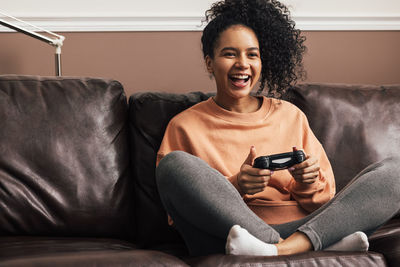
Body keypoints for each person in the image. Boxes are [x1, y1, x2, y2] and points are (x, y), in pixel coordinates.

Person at [155, 0, 400, 257]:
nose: (242, 63)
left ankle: (278, 250)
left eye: (252, 54)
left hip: (301, 227)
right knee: (173, 165)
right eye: (230, 54)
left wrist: (306, 184)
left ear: (262, 62)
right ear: (209, 63)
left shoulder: (290, 115)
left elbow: (327, 201)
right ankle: (310, 245)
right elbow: (179, 209)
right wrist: (237, 185)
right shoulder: (184, 125)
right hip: (231, 235)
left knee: (395, 173)